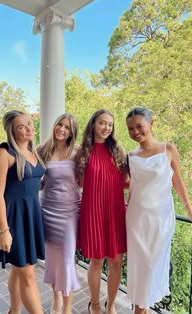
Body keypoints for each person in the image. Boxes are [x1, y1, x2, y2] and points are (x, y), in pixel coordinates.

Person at [125, 107, 192, 314]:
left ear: (151, 124)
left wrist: (190, 211)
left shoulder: (169, 149)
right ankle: (141, 309)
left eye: (139, 126)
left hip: (161, 220)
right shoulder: (130, 156)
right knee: (140, 267)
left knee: (151, 267)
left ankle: (142, 308)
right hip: (136, 219)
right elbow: (128, 184)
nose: (135, 131)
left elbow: (177, 181)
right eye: (131, 128)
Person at [0, 110, 45, 314]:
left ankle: (14, 311)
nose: (29, 128)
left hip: (30, 216)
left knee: (19, 272)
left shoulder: (33, 152)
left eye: (29, 123)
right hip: (13, 221)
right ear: (12, 131)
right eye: (21, 126)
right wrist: (4, 230)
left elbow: (29, 182)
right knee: (28, 276)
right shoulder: (3, 155)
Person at [76, 109, 127, 314]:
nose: (106, 127)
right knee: (96, 260)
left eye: (110, 124)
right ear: (93, 124)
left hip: (115, 210)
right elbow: (78, 182)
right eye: (102, 123)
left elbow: (127, 181)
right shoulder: (82, 151)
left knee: (116, 260)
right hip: (93, 210)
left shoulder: (118, 149)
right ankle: (95, 303)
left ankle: (111, 303)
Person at [37, 113, 81, 314]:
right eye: (60, 125)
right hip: (47, 211)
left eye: (67, 127)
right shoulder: (42, 150)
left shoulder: (78, 152)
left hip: (70, 213)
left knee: (66, 261)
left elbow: (88, 179)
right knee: (53, 260)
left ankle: (67, 309)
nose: (62, 129)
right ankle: (56, 296)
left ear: (72, 132)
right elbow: (36, 182)